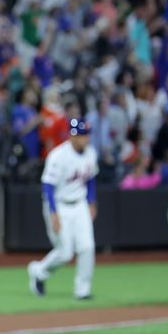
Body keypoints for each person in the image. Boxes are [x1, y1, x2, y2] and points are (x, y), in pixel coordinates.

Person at [28, 118, 99, 300]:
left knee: (87, 247)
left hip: (79, 204)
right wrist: (53, 213)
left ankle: (82, 290)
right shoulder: (58, 156)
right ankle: (39, 271)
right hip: (59, 205)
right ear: (72, 136)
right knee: (65, 252)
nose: (85, 139)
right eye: (82, 135)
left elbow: (90, 179)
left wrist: (91, 201)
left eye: (87, 134)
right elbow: (48, 186)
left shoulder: (90, 153)